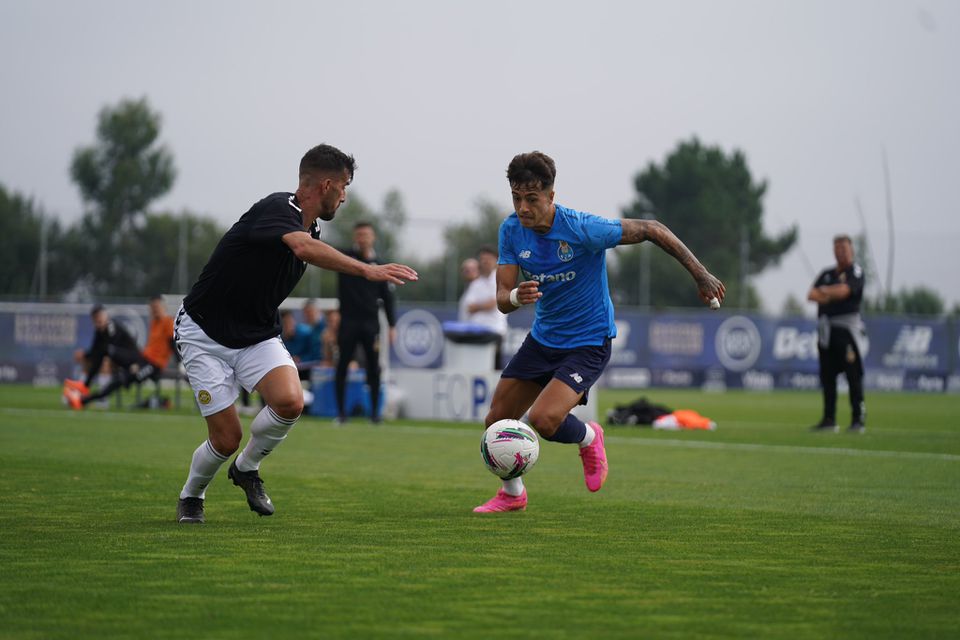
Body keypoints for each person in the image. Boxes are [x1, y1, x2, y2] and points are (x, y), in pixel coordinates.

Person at [174, 144, 417, 524]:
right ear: (326, 185)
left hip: (256, 335)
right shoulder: (278, 208)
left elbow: (307, 243)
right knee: (225, 439)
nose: (345, 195)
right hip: (204, 333)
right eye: (344, 186)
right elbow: (303, 248)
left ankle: (247, 468)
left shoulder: (313, 226)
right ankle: (192, 495)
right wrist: (368, 270)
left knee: (290, 402)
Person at [474, 151, 724, 513]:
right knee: (496, 420)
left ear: (551, 197)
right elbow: (501, 300)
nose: (523, 208)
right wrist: (515, 295)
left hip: (588, 342)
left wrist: (701, 275)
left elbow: (653, 229)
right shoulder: (511, 230)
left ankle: (590, 437)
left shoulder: (582, 229)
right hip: (543, 339)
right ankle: (513, 495)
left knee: (544, 421)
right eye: (516, 198)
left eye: (532, 199)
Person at [334, 221, 397, 424]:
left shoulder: (379, 265)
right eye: (359, 234)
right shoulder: (344, 260)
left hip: (371, 324)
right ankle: (341, 414)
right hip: (348, 322)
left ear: (373, 237)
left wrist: (392, 325)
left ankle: (374, 415)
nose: (363, 238)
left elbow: (388, 298)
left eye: (366, 235)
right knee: (342, 364)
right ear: (355, 237)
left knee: (373, 367)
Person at [63, 297, 174, 409]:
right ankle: (83, 395)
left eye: (156, 307)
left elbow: (173, 344)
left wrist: (181, 362)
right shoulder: (154, 322)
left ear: (164, 307)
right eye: (152, 307)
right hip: (142, 360)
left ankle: (83, 396)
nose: (154, 310)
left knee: (114, 368)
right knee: (112, 369)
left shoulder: (169, 322)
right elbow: (95, 350)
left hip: (152, 365)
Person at [807, 234, 867, 434]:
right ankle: (829, 418)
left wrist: (826, 292)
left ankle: (858, 418)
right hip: (826, 330)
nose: (840, 252)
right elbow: (811, 295)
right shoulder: (827, 273)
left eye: (844, 248)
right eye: (837, 248)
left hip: (847, 330)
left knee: (853, 374)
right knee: (827, 375)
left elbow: (845, 291)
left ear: (851, 250)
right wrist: (831, 292)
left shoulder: (855, 271)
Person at [459, 245, 509, 369]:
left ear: (496, 261)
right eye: (482, 259)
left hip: (494, 332)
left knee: (494, 368)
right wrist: (484, 305)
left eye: (488, 259)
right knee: (477, 367)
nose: (485, 262)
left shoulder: (501, 278)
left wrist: (479, 306)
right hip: (476, 333)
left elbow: (495, 302)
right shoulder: (476, 283)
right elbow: (469, 307)